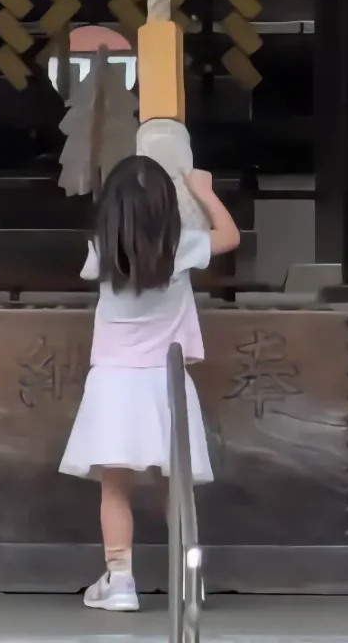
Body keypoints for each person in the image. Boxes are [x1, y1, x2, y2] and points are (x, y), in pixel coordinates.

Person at [58, 155, 240, 612]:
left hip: (113, 385)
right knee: (174, 488)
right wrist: (203, 192)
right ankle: (190, 578)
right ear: (167, 207)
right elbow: (230, 236)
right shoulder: (182, 247)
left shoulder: (100, 251)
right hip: (167, 384)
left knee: (115, 488)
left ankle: (120, 581)